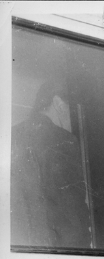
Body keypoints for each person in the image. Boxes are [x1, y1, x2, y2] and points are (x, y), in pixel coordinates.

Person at [11, 80, 91, 249]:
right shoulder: (63, 140)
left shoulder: (11, 136)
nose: (74, 120)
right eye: (73, 111)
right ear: (58, 103)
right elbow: (71, 209)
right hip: (56, 250)